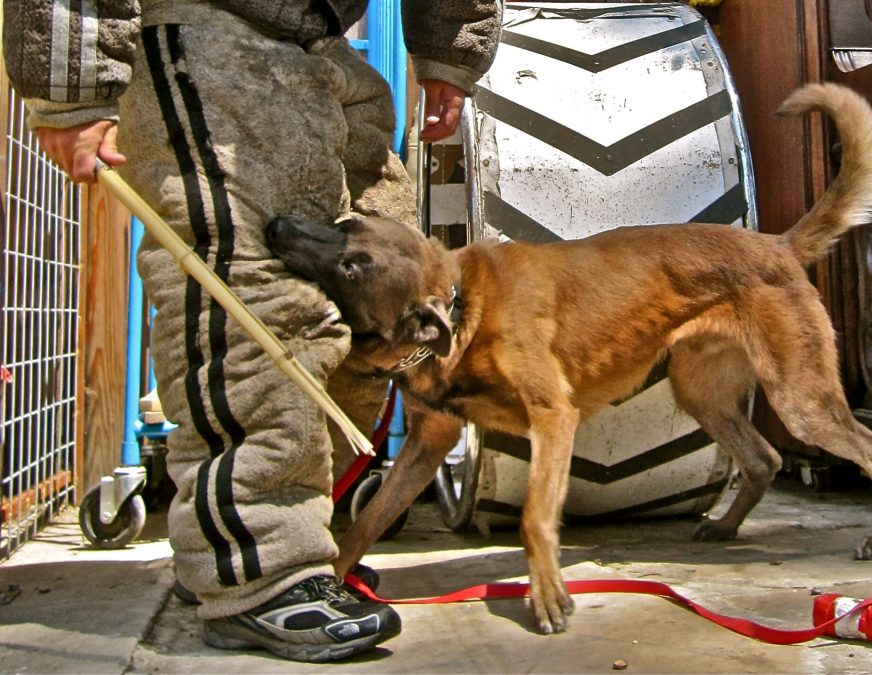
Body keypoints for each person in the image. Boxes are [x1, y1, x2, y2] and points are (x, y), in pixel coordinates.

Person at [3, 0, 500, 663]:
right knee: (259, 300)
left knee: (388, 313)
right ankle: (261, 565)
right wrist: (73, 80)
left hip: (323, 45)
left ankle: (275, 534)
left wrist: (449, 51)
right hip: (208, 27)